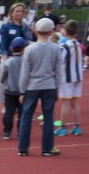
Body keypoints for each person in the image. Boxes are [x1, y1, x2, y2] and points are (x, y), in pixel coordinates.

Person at [18, 18, 62, 157]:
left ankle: (23, 148)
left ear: (35, 31)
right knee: (48, 117)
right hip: (49, 85)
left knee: (26, 116)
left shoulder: (29, 49)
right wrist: (58, 89)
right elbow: (58, 71)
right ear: (51, 31)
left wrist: (22, 90)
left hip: (32, 85)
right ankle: (47, 148)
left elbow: (25, 72)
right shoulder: (56, 48)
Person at [54, 19, 83, 137]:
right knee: (75, 102)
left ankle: (63, 127)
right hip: (77, 76)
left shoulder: (65, 46)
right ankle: (77, 127)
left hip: (67, 77)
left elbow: (60, 61)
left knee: (65, 103)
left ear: (65, 30)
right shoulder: (78, 44)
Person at [0, 37, 27, 140]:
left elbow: (3, 78)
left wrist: (4, 81)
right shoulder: (26, 61)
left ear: (11, 48)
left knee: (9, 112)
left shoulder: (7, 62)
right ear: (24, 49)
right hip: (22, 91)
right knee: (22, 113)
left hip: (9, 90)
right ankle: (20, 132)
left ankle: (7, 131)